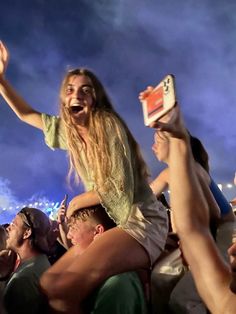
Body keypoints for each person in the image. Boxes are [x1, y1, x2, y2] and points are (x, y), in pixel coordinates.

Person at [0, 41, 168, 313]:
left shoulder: (107, 125)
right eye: (70, 90)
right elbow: (26, 114)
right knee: (50, 284)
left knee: (64, 288)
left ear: (95, 100)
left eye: (85, 90)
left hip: (141, 221)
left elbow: (118, 187)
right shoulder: (71, 134)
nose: (77, 95)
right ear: (64, 101)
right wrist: (1, 81)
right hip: (115, 227)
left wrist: (78, 203)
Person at [141, 90, 236, 313]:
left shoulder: (176, 170)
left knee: (184, 299)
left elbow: (144, 198)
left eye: (156, 140)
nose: (153, 147)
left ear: (170, 142)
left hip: (225, 235)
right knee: (161, 279)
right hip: (221, 232)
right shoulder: (195, 169)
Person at [65, 202, 148, 314]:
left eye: (73, 229)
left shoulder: (117, 284)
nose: (68, 235)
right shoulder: (104, 270)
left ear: (98, 231)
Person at [3, 207, 52, 314]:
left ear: (27, 233)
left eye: (13, 225)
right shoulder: (41, 261)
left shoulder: (23, 278)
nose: (8, 228)